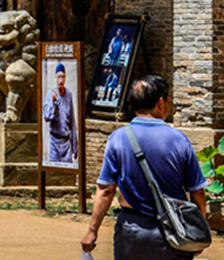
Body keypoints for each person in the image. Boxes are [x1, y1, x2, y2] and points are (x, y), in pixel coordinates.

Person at [82, 75, 207, 260]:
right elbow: (197, 192)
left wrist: (92, 231)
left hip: (131, 231)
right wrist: (198, 229)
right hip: (173, 231)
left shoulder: (118, 138)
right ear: (161, 103)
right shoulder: (179, 140)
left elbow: (106, 190)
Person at [42, 63, 75, 163]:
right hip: (54, 142)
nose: (60, 80)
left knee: (68, 174)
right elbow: (47, 117)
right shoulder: (51, 93)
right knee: (54, 174)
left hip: (66, 143)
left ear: (65, 78)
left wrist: (74, 146)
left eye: (62, 77)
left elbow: (72, 121)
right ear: (56, 78)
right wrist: (52, 102)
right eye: (58, 77)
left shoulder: (69, 94)